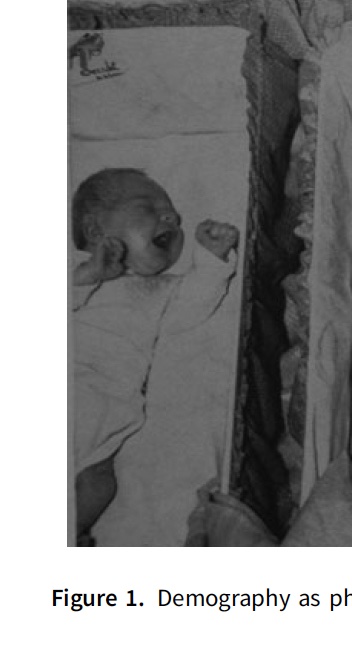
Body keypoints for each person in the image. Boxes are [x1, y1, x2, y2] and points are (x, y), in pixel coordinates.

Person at [70, 168, 238, 544]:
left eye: (174, 217)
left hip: (110, 413)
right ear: (96, 232)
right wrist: (87, 274)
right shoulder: (75, 274)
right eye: (148, 207)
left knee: (99, 487)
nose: (171, 218)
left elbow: (192, 307)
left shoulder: (161, 288)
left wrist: (210, 260)